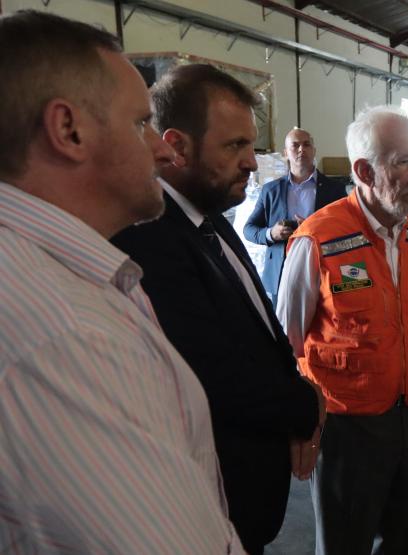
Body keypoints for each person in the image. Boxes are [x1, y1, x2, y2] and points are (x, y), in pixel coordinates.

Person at [0, 11, 245, 553]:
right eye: (140, 124)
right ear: (69, 130)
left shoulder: (56, 278)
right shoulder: (64, 335)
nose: (161, 149)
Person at [111, 64, 323, 555]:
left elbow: (258, 329)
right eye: (234, 146)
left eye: (251, 144)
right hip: (209, 505)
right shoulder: (151, 239)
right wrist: (305, 405)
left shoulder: (209, 218)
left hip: (246, 501)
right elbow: (214, 374)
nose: (252, 162)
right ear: (176, 145)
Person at [276, 105, 408, 555]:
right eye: (404, 162)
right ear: (364, 171)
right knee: (344, 543)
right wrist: (300, 426)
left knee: (401, 539)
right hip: (343, 426)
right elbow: (283, 342)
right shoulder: (319, 238)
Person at [244, 127, 347, 306]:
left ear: (314, 151)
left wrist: (313, 228)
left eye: (306, 144)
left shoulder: (334, 189)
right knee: (282, 330)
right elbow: (249, 229)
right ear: (286, 153)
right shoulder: (271, 191)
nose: (301, 149)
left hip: (323, 269)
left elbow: (347, 229)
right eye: (295, 145)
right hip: (279, 273)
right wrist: (271, 234)